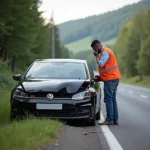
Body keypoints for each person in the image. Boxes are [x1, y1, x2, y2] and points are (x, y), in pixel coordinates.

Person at [91, 40, 121, 125]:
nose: (95, 51)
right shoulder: (107, 51)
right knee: (113, 99)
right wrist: (101, 77)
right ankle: (115, 119)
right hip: (114, 78)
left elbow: (101, 63)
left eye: (94, 49)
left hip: (110, 79)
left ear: (98, 46)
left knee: (108, 99)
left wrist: (97, 57)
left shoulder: (105, 52)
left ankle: (109, 119)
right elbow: (106, 68)